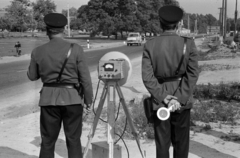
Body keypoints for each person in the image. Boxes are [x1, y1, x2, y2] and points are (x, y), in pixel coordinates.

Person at [27, 13, 93, 158]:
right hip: (73, 100)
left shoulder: (38, 51)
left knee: (48, 142)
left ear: (47, 30)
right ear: (64, 29)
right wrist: (89, 101)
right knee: (74, 140)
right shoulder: (76, 49)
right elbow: (86, 80)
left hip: (48, 100)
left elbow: (32, 76)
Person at [142, 5, 199, 158]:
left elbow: (147, 77)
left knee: (162, 145)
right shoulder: (188, 44)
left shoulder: (150, 45)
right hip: (183, 99)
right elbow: (193, 73)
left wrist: (163, 97)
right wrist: (179, 98)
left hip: (160, 101)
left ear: (160, 22)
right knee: (181, 144)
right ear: (179, 23)